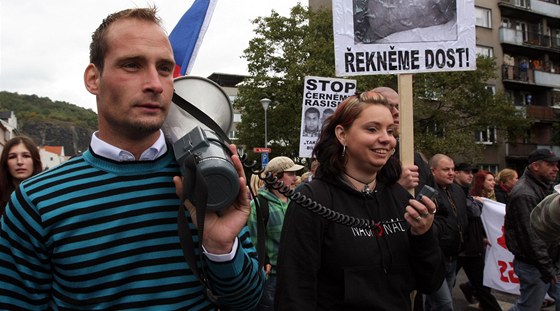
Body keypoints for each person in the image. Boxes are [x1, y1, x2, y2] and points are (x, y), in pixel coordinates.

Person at [0, 7, 264, 310]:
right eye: (132, 65)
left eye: (165, 69)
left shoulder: (206, 178)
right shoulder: (37, 201)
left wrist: (220, 248)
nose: (155, 83)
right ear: (93, 78)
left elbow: (247, 301)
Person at [275, 91, 445, 310]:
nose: (386, 138)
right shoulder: (312, 200)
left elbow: (429, 283)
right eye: (372, 129)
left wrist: (423, 236)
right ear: (342, 134)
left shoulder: (399, 197)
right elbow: (294, 293)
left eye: (390, 131)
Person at [504, 148, 560, 311]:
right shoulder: (524, 194)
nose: (556, 168)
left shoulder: (545, 187)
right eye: (550, 165)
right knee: (528, 307)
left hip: (550, 261)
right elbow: (531, 237)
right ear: (536, 166)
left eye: (556, 165)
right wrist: (547, 268)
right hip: (536, 265)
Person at [247, 156, 303, 311]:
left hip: (296, 275)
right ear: (275, 177)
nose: (295, 178)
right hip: (272, 280)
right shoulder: (258, 205)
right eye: (290, 174)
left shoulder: (297, 201)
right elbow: (253, 241)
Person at [453, 163, 502, 311]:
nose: (470, 175)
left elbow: (475, 220)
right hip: (460, 248)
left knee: (483, 287)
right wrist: (479, 203)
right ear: (457, 173)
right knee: (441, 288)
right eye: (466, 172)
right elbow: (473, 211)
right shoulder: (456, 192)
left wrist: (481, 237)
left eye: (471, 172)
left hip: (472, 247)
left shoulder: (466, 192)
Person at [425, 154, 469, 311]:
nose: (451, 173)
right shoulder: (428, 194)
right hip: (436, 259)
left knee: (434, 304)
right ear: (432, 171)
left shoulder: (458, 190)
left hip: (453, 257)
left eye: (452, 169)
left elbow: (463, 218)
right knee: (445, 305)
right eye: (445, 169)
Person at [372, 86, 433, 194]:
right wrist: (397, 189)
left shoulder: (415, 158)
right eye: (388, 106)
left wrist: (431, 208)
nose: (396, 112)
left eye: (398, 106)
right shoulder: (360, 157)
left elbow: (437, 199)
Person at [0, 135, 43, 213]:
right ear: (5, 163)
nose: (19, 162)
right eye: (12, 157)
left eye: (26, 156)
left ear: (35, 161)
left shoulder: (46, 195)